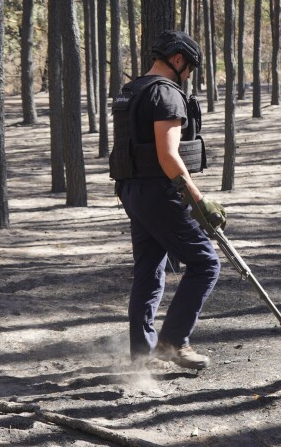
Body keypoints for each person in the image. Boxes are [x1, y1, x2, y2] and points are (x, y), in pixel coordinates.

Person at [109, 30, 226, 370]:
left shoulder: (134, 91)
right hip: (158, 193)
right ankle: (173, 343)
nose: (188, 75)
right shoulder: (166, 95)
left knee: (149, 271)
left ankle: (142, 356)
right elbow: (168, 156)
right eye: (189, 68)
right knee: (205, 263)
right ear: (177, 60)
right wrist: (200, 200)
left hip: (131, 192)